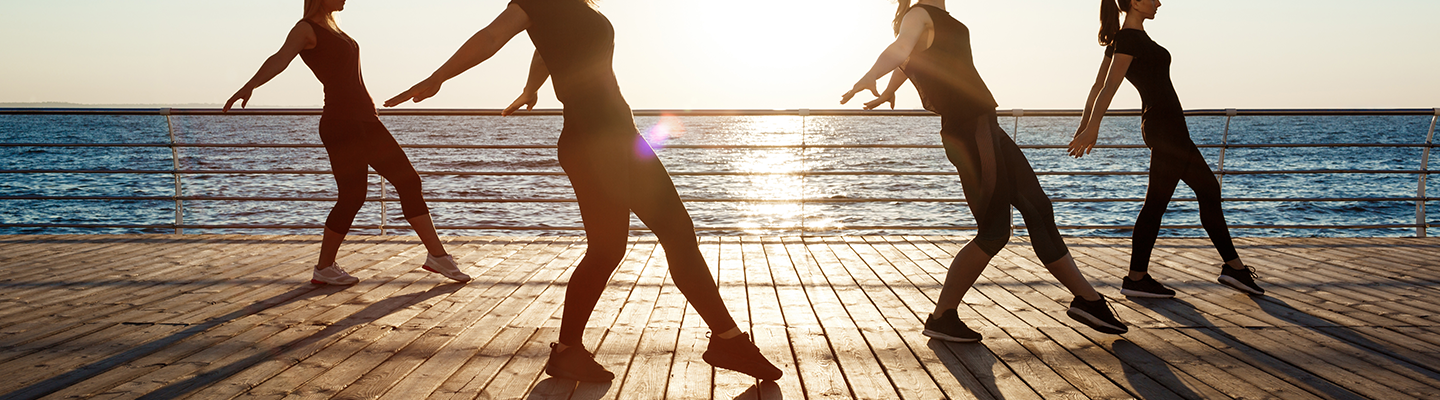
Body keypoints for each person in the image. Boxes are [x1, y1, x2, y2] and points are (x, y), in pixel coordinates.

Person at [383, 0, 782, 383]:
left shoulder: (579, 6)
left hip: (622, 136)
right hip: (591, 140)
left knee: (678, 230)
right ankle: (568, 350)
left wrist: (530, 87)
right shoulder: (536, 0)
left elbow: (547, 49)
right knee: (608, 249)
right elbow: (491, 38)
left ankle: (727, 341)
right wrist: (438, 77)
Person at [842, 0, 1128, 342]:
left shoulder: (940, 19)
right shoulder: (919, 14)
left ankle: (1088, 300)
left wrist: (888, 90)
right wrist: (868, 78)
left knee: (1038, 207)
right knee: (994, 232)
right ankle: (942, 316)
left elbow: (909, 60)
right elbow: (901, 49)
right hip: (969, 131)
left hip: (984, 125)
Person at [224, 0, 470, 286]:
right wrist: (250, 85)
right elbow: (279, 59)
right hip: (343, 124)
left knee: (396, 185)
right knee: (373, 191)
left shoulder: (334, 27)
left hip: (363, 121)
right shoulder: (306, 29)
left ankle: (330, 267)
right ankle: (430, 257)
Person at [1070, 0, 1264, 298]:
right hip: (1165, 129)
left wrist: (1085, 126)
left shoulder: (1128, 38)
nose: (1159, 2)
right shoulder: (1128, 39)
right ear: (1135, 2)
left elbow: (1096, 87)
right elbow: (1107, 88)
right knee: (1168, 200)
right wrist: (1092, 127)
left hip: (1169, 128)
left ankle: (1228, 270)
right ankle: (1140, 278)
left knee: (1201, 193)